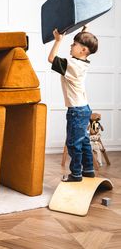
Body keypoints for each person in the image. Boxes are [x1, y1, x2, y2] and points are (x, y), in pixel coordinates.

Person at [48, 26, 98, 182]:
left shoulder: (73, 65)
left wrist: (57, 41)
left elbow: (51, 58)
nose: (71, 46)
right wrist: (83, 31)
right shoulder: (83, 63)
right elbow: (80, 51)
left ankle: (76, 174)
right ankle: (88, 169)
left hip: (76, 110)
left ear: (83, 50)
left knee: (73, 143)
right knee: (83, 141)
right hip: (84, 108)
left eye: (74, 44)